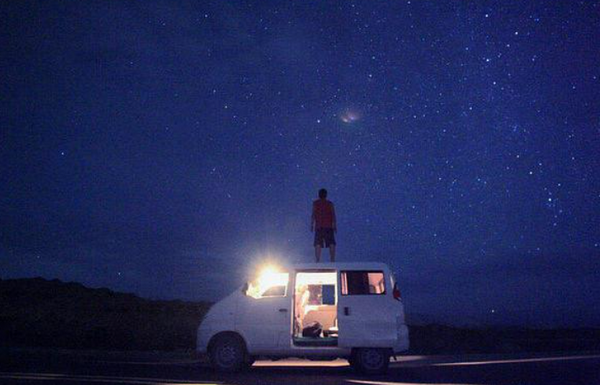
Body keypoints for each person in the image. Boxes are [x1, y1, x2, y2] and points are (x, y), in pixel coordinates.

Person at [310, 188, 336, 262]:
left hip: (319, 227)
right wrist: (334, 225)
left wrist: (312, 224)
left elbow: (313, 214)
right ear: (326, 195)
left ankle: (317, 260)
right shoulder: (330, 203)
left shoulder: (315, 203)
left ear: (319, 195)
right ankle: (332, 259)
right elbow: (333, 215)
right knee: (331, 243)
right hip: (328, 227)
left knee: (318, 243)